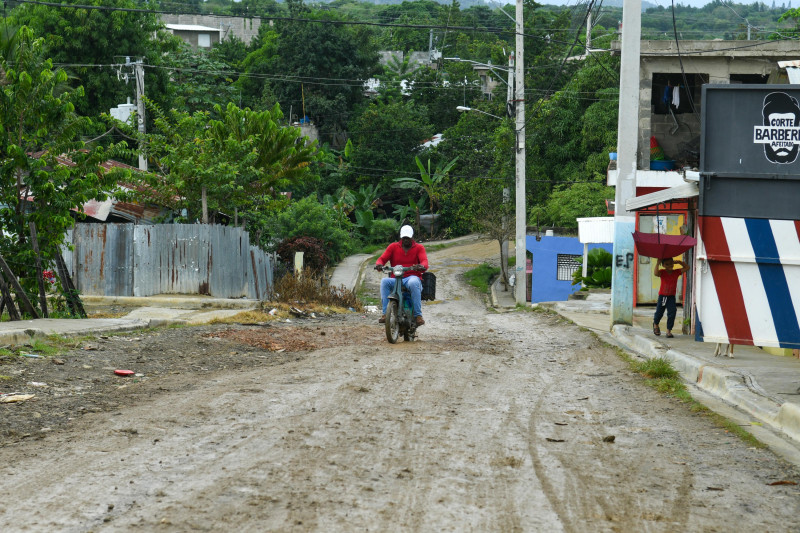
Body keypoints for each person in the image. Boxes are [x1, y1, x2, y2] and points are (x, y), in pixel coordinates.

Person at [374, 225, 428, 327]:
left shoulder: (419, 248)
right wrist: (379, 265)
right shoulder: (393, 247)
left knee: (413, 282)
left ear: (412, 237)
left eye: (408, 238)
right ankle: (385, 314)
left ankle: (418, 316)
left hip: (412, 277)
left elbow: (424, 261)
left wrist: (421, 266)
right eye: (404, 238)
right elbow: (382, 258)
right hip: (396, 278)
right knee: (384, 282)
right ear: (401, 237)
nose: (406, 240)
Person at [653, 257, 689, 338]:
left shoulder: (676, 272)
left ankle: (668, 331)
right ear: (663, 265)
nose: (670, 265)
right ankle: (655, 325)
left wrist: (680, 262)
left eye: (671, 263)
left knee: (672, 312)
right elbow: (655, 273)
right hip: (663, 296)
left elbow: (687, 267)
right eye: (667, 264)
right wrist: (657, 263)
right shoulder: (662, 272)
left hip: (671, 297)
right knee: (659, 312)